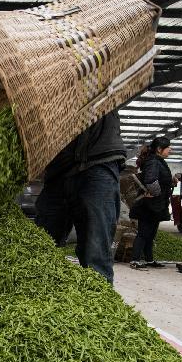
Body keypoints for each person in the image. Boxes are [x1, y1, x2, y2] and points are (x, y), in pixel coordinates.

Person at [35, 110, 125, 284]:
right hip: (58, 167)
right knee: (41, 244)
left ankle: (99, 296)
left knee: (95, 251)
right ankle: (39, 293)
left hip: (98, 159)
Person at [128, 137, 174, 270]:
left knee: (151, 233)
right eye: (168, 147)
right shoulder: (153, 162)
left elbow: (159, 179)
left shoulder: (158, 161)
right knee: (143, 232)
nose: (170, 149)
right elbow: (151, 180)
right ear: (159, 149)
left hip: (156, 204)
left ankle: (149, 259)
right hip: (149, 204)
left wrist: (171, 181)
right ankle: (135, 260)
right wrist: (157, 194)